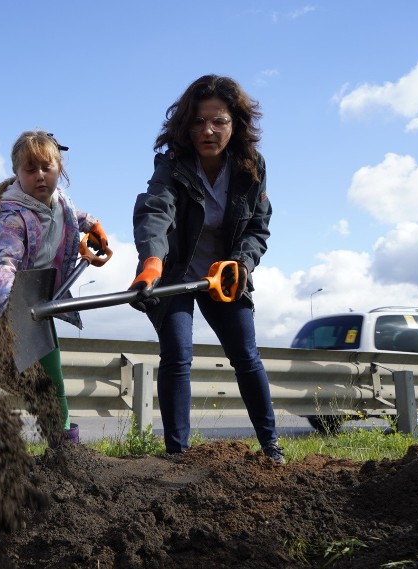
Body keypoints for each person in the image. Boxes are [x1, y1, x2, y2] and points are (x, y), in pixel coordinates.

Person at [129, 74, 284, 463]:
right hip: (176, 272)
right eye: (198, 121)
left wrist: (243, 263)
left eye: (219, 121)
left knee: (246, 356)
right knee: (178, 354)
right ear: (186, 125)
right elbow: (155, 210)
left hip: (224, 276)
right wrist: (151, 261)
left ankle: (271, 447)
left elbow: (257, 226)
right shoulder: (172, 164)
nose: (208, 130)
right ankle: (178, 455)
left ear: (236, 124)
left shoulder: (251, 166)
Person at [0, 130, 108, 443]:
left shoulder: (60, 203)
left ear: (60, 170)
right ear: (17, 173)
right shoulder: (11, 218)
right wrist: (12, 304)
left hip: (34, 303)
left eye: (47, 168)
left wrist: (93, 225)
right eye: (30, 170)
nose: (40, 177)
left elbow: (73, 215)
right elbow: (1, 265)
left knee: (51, 378)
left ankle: (63, 444)